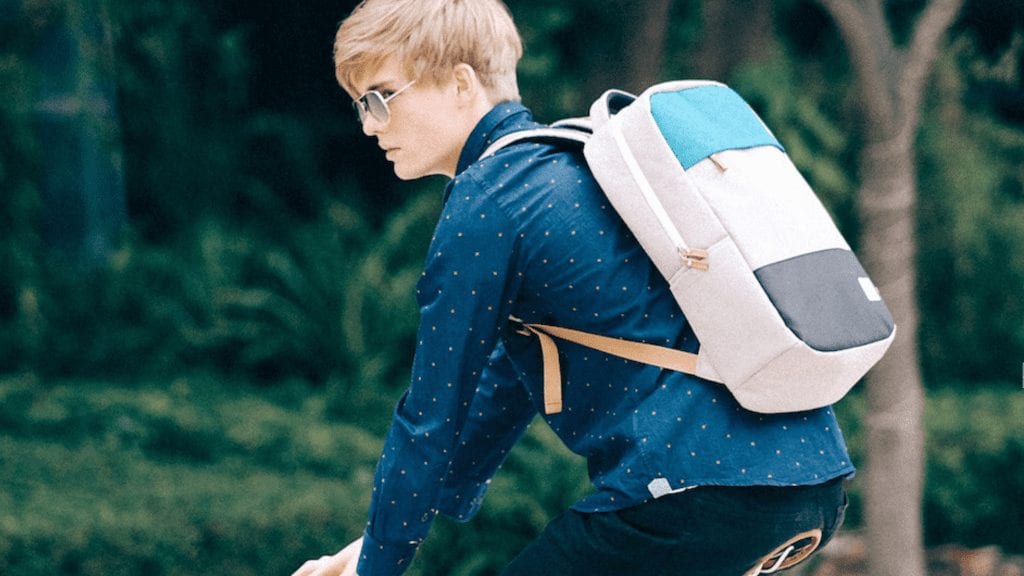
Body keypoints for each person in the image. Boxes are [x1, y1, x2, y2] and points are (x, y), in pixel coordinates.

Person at [293, 1, 852, 575]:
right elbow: (505, 387)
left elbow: (429, 417)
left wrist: (376, 568)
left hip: (693, 494)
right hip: (805, 481)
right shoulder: (578, 163)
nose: (368, 124)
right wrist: (379, 545)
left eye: (380, 97)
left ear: (460, 83)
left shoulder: (489, 201)